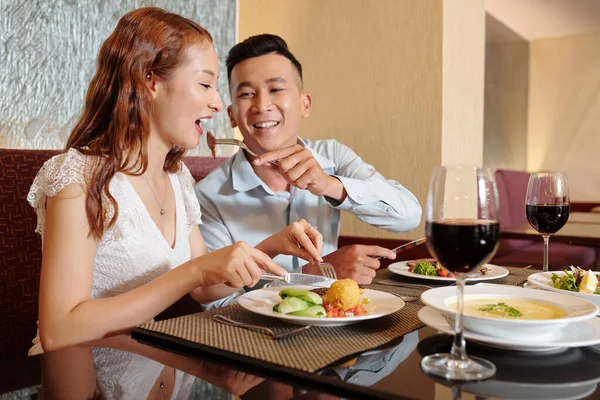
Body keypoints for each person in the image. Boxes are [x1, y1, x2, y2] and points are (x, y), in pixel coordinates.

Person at [27, 8, 323, 355]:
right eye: (204, 84)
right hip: (78, 371)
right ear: (150, 81)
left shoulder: (177, 178)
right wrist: (195, 271)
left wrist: (272, 245)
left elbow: (204, 290)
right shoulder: (77, 178)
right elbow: (59, 330)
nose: (217, 102)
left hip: (152, 364)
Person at [195, 34, 421, 296]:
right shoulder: (208, 196)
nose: (262, 105)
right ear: (233, 115)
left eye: (276, 89)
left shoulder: (333, 156)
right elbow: (216, 305)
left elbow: (409, 216)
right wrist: (314, 276)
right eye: (247, 94)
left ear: (305, 104)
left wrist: (328, 184)